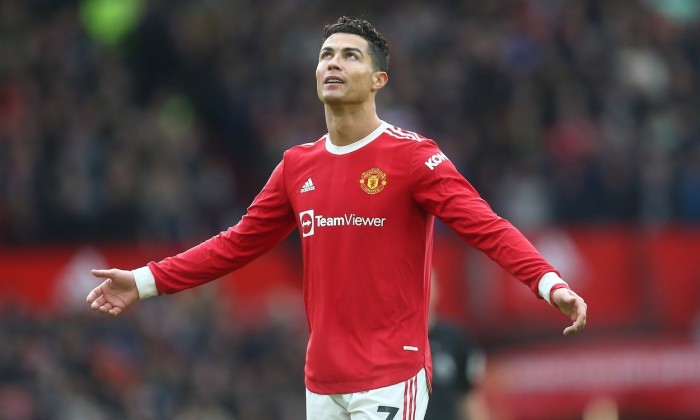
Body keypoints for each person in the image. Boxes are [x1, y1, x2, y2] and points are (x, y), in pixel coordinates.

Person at [86, 16, 587, 420]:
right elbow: (235, 243)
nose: (333, 63)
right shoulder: (296, 166)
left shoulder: (413, 158)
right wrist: (145, 281)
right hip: (322, 381)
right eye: (326, 54)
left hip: (390, 373)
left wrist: (549, 283)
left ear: (378, 80)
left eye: (350, 56)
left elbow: (486, 226)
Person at [426, 271, 489, 420]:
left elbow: (470, 396)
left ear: (438, 291)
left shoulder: (456, 339)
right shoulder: (393, 341)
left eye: (428, 284)